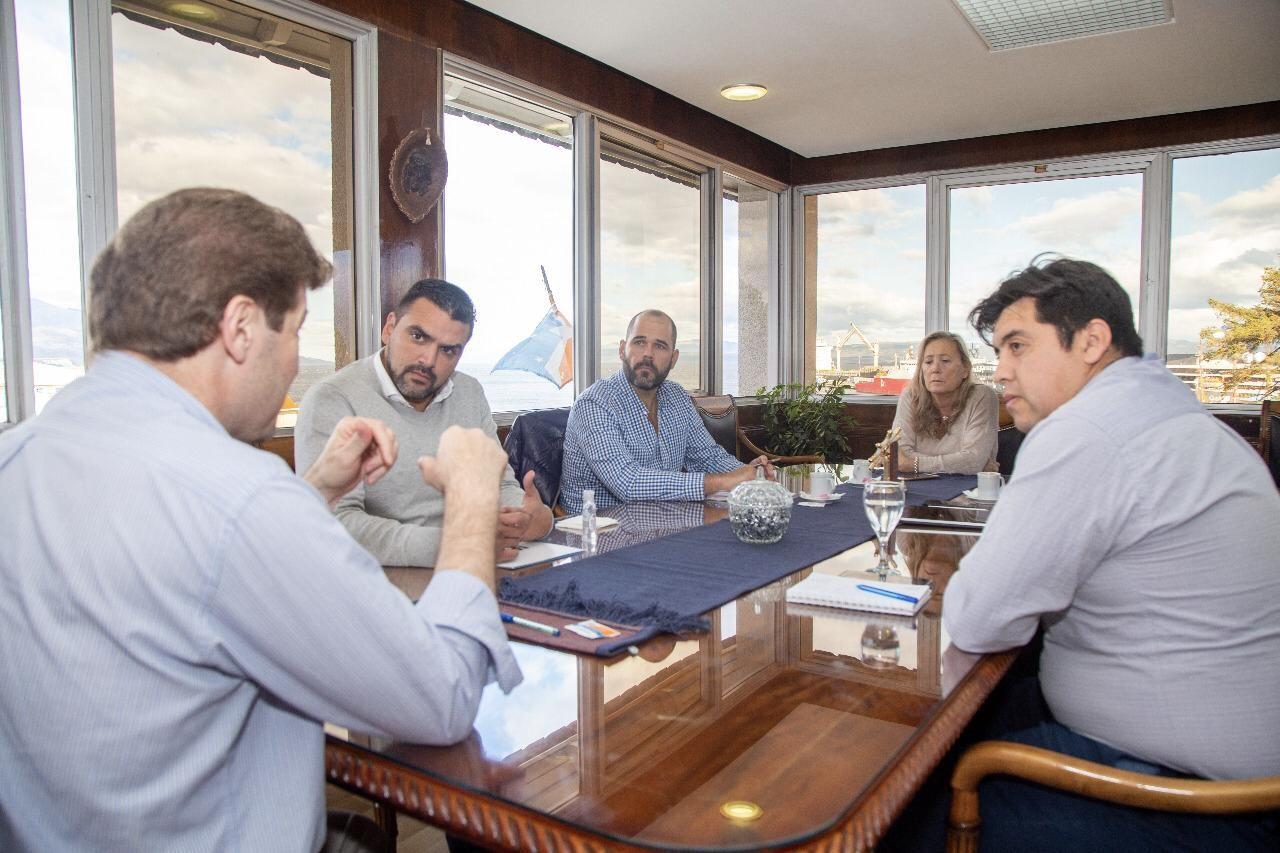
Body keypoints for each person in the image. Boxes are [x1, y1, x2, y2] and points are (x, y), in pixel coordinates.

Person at [0, 188, 522, 853]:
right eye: (297, 330)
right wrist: (472, 501)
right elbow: (442, 697)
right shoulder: (238, 497)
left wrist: (315, 490)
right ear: (242, 327)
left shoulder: (17, 457)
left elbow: (202, 569)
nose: (294, 363)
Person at [941, 257, 1280, 850]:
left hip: (1188, 805)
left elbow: (977, 619)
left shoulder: (1091, 429)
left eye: (1018, 346)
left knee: (890, 805)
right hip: (1227, 774)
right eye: (999, 352)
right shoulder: (1171, 415)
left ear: (1092, 341)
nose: (1002, 371)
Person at [296, 279, 553, 567]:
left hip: (475, 565)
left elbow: (500, 485)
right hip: (381, 578)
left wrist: (530, 517)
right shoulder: (332, 399)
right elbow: (333, 521)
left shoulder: (469, 392)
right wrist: (457, 544)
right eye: (418, 337)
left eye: (448, 350)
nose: (428, 360)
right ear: (389, 328)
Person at [560, 309, 772, 513]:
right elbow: (628, 483)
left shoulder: (677, 397)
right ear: (622, 350)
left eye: (660, 346)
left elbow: (707, 457)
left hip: (663, 521)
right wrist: (723, 481)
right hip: (596, 530)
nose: (647, 354)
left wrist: (748, 473)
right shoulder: (594, 403)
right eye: (639, 342)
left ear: (673, 359)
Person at [892, 331, 998, 475]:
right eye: (928, 362)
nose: (935, 369)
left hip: (969, 488)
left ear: (965, 369)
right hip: (914, 485)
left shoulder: (982, 396)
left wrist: (914, 464)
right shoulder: (910, 396)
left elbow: (973, 461)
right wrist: (961, 463)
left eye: (946, 361)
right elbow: (899, 456)